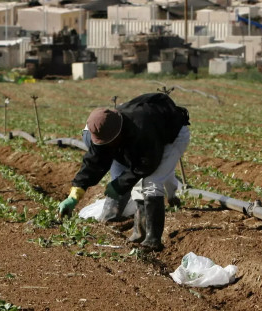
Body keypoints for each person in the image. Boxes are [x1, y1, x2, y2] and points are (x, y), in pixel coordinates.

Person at [58, 92, 190, 251]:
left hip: (171, 137)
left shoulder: (141, 127)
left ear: (118, 134)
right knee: (136, 185)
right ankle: (139, 234)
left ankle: (153, 241)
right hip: (147, 140)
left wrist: (120, 184)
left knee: (151, 183)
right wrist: (74, 196)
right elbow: (94, 162)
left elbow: (146, 164)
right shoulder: (104, 131)